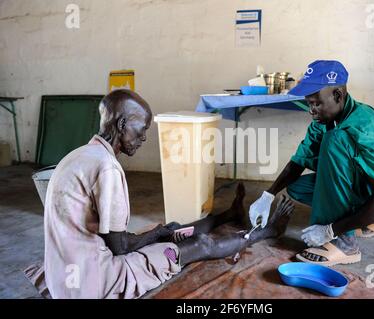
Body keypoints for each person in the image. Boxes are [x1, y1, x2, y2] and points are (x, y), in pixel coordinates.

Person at [26, 89, 294, 299]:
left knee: (166, 231)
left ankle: (229, 215)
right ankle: (263, 233)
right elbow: (119, 248)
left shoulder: (78, 155)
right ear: (122, 124)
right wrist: (155, 236)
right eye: (141, 130)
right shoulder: (107, 168)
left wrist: (157, 233)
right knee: (199, 244)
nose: (143, 138)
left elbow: (109, 237)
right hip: (95, 282)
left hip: (63, 275)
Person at [248, 60, 374, 266]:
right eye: (309, 103)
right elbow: (298, 162)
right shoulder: (323, 121)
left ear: (338, 95)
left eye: (316, 103)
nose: (311, 110)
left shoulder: (365, 124)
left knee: (335, 140)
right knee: (298, 187)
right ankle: (371, 219)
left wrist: (330, 230)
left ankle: (345, 244)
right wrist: (268, 195)